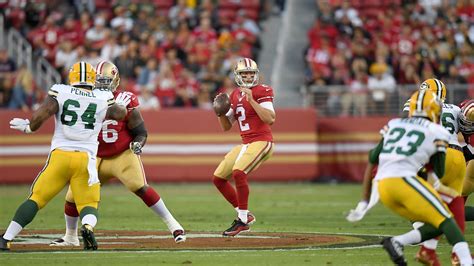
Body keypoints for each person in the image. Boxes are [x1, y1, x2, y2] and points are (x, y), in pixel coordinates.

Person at [49, 61, 185, 247]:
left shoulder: (125, 99)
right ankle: (70, 236)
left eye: (107, 81)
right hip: (93, 155)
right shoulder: (85, 97)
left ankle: (174, 225)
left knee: (140, 187)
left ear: (116, 80)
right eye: (100, 81)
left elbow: (141, 131)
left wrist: (137, 144)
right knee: (72, 197)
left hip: (121, 154)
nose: (103, 85)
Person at [1, 61, 128, 251]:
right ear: (92, 78)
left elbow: (41, 114)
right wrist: (121, 105)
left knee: (36, 199)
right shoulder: (102, 97)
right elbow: (119, 114)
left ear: (72, 76)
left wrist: (29, 127)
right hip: (86, 159)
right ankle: (87, 227)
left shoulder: (61, 91)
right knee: (88, 203)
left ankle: (6, 238)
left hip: (60, 156)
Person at [348, 78, 467, 265]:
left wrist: (365, 199)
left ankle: (425, 246)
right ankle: (453, 255)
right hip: (455, 157)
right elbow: (467, 128)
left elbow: (376, 155)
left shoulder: (398, 123)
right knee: (450, 207)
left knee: (438, 213)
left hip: (404, 170)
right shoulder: (453, 111)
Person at [212, 58, 275, 237]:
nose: (248, 76)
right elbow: (226, 126)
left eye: (250, 73)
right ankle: (245, 213)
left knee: (239, 172)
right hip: (246, 143)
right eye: (244, 73)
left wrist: (252, 100)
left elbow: (270, 118)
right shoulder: (234, 94)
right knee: (218, 178)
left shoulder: (263, 90)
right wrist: (219, 113)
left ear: (256, 74)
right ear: (237, 76)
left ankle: (242, 221)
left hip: (262, 141)